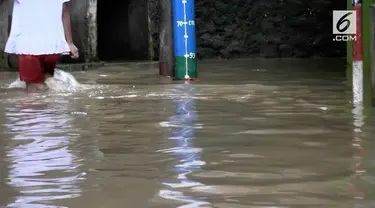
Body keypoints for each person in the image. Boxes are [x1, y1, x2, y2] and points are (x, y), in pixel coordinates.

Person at [3, 0, 79, 92]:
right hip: (52, 46)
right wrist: (69, 42)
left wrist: (70, 43)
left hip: (28, 47)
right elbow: (64, 10)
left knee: (33, 93)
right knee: (48, 82)